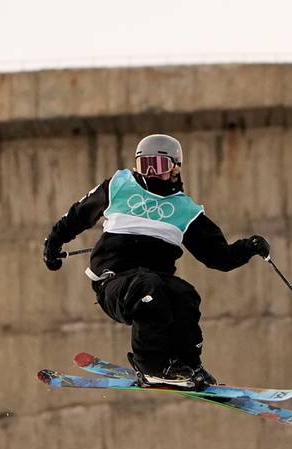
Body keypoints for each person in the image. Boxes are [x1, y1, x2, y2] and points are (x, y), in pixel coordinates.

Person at [42, 134, 270, 388]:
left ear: (175, 168)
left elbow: (218, 257)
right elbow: (77, 216)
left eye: (158, 166)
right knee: (149, 287)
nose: (150, 173)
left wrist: (248, 248)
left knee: (184, 294)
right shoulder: (119, 186)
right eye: (144, 165)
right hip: (115, 284)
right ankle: (150, 365)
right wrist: (53, 245)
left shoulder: (186, 211)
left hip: (154, 284)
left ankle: (187, 365)